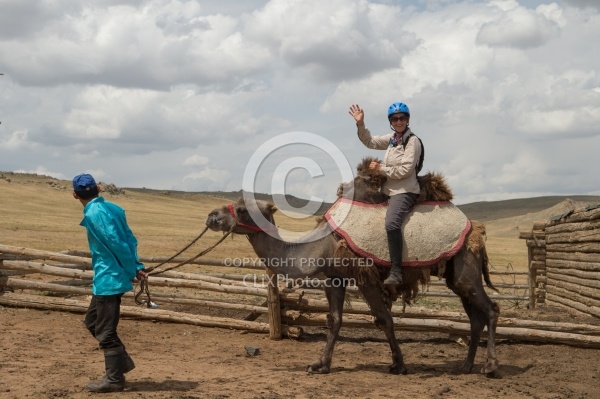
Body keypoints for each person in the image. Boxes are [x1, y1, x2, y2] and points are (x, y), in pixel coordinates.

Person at [72, 173, 147, 393]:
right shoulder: (114, 208)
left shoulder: (95, 212)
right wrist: (136, 264)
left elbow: (116, 242)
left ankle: (114, 379)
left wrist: (132, 268)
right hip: (108, 277)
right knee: (92, 321)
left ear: (75, 195)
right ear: (97, 188)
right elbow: (129, 239)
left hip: (109, 278)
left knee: (105, 331)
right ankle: (121, 363)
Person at [349, 102, 422, 285]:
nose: (399, 121)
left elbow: (405, 170)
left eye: (402, 118)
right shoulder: (392, 139)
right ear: (391, 121)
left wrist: (382, 169)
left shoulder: (412, 141)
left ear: (407, 120)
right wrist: (360, 124)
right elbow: (370, 141)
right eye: (395, 118)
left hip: (404, 191)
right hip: (388, 190)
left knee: (391, 223)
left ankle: (396, 271)